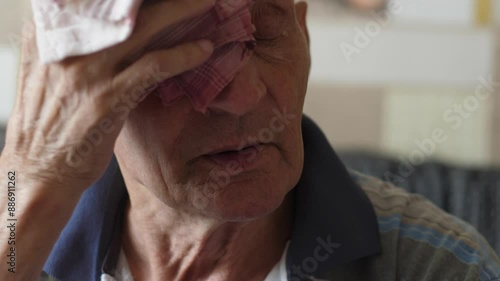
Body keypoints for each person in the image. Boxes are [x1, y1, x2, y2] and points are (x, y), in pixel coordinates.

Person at [0, 0, 499, 280]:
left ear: (302, 30)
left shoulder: (432, 266)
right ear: (84, 89)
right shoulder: (26, 245)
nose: (242, 97)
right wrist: (33, 181)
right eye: (183, 56)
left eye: (265, 36)